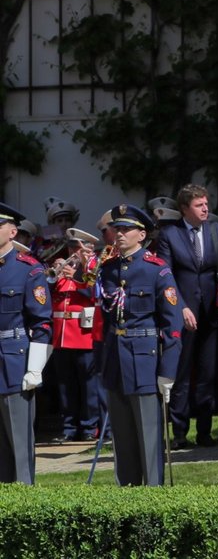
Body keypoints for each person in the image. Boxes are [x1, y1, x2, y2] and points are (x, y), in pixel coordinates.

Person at [96, 204, 183, 486]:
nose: (119, 234)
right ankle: (128, 496)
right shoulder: (107, 270)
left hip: (144, 360)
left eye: (126, 229)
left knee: (148, 437)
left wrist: (167, 371)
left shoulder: (157, 270)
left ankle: (153, 498)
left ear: (141, 234)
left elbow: (173, 326)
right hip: (115, 360)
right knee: (122, 440)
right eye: (116, 229)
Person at [154, 184, 218, 449]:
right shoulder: (170, 235)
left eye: (206, 204)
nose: (205, 209)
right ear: (185, 209)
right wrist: (181, 307)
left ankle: (205, 431)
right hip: (183, 310)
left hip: (211, 312)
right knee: (183, 372)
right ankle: (179, 432)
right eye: (199, 205)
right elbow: (166, 275)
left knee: (208, 372)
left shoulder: (217, 231)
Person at [0, 203, 52, 483]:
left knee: (19, 445)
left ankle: (22, 503)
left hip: (14, 362)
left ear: (12, 231)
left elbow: (42, 324)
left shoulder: (28, 270)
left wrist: (35, 368)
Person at [49, 228, 102, 443]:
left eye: (77, 247)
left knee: (88, 386)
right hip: (61, 336)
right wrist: (55, 273)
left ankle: (90, 427)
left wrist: (78, 278)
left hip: (84, 334)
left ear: (88, 249)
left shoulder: (95, 268)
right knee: (65, 385)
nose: (73, 252)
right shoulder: (62, 269)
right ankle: (68, 427)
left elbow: (96, 294)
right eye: (71, 247)